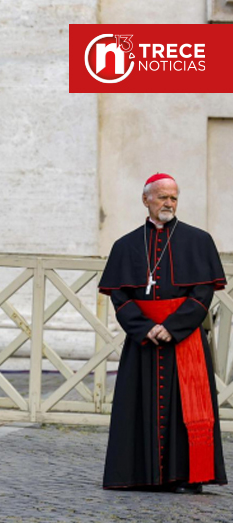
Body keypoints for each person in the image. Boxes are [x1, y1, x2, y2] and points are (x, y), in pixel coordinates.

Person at [99, 173, 227, 493]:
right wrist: (146, 329)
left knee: (187, 410)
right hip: (143, 339)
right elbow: (120, 296)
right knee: (136, 408)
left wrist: (172, 328)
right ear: (146, 200)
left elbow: (202, 293)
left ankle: (186, 477)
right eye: (162, 197)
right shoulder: (125, 244)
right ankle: (138, 475)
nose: (168, 203)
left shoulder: (198, 241)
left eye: (173, 197)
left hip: (184, 341)